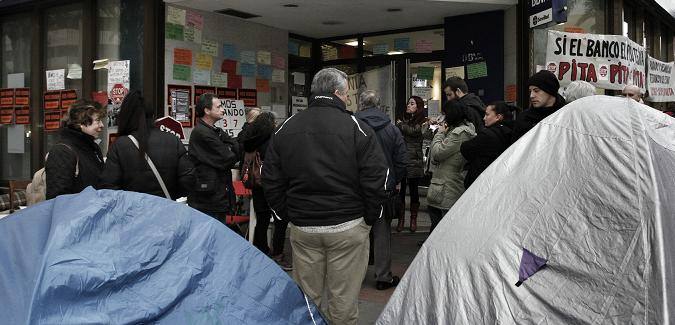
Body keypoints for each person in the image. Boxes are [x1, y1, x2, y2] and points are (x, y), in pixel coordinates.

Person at [262, 67, 388, 325]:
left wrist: (285, 214)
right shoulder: (357, 128)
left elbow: (271, 177)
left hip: (304, 226)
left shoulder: (287, 127)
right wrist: (369, 217)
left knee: (307, 302)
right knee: (343, 303)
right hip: (348, 225)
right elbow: (377, 177)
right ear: (339, 93)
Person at [355, 90, 407, 291]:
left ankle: (355, 275)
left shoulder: (352, 125)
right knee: (382, 232)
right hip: (384, 188)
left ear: (360, 104)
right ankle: (383, 276)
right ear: (378, 105)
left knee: (357, 232)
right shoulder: (392, 129)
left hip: (357, 187)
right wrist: (394, 180)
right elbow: (401, 161)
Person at [98, 91, 194, 199]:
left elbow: (108, 187)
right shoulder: (173, 140)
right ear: (153, 115)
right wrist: (170, 196)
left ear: (125, 116)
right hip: (166, 209)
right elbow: (188, 179)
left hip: (132, 212)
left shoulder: (120, 145)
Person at [236, 111, 292, 270]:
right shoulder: (272, 141)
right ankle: (278, 254)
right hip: (273, 185)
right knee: (280, 219)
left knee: (262, 220)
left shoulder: (250, 141)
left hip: (256, 185)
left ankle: (261, 251)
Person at [187, 93, 239, 228]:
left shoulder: (216, 131)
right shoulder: (202, 133)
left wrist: (229, 148)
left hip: (217, 195)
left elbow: (236, 147)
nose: (223, 109)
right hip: (208, 198)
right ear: (207, 110)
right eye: (219, 106)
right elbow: (228, 157)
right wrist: (228, 148)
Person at [426, 100, 476, 234]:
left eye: (445, 114)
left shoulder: (458, 134)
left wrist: (440, 133)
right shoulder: (459, 130)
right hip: (445, 184)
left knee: (441, 228)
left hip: (447, 186)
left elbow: (437, 153)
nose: (443, 118)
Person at [46, 100, 106, 200]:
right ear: (81, 122)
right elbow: (58, 198)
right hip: (75, 214)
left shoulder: (93, 148)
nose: (102, 125)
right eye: (98, 120)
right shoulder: (62, 151)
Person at [460, 101, 515, 189]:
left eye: (487, 115)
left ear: (498, 117)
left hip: (481, 181)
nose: (484, 118)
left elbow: (465, 148)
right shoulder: (512, 133)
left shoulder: (487, 135)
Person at [395, 96, 429, 233]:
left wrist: (401, 125)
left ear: (418, 106)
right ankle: (401, 219)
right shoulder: (404, 119)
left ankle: (413, 219)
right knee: (401, 191)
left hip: (414, 159)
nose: (409, 105)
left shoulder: (423, 121)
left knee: (414, 191)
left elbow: (415, 131)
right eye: (408, 103)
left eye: (412, 103)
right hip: (402, 158)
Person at [511, 70, 566, 143]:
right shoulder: (524, 118)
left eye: (536, 91)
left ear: (550, 91)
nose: (531, 96)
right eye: (530, 91)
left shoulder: (566, 115)